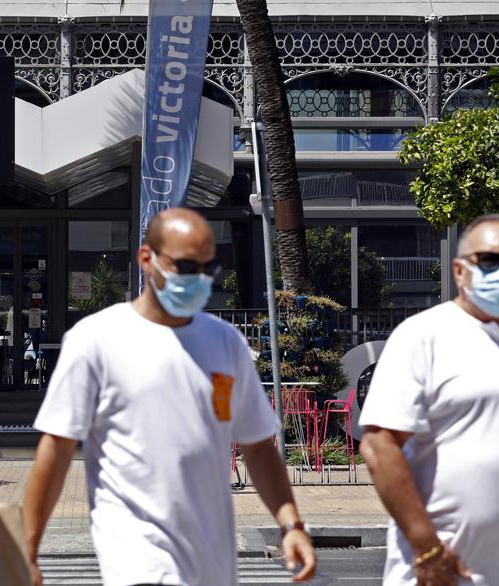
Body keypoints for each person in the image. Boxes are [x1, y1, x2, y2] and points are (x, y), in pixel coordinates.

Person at [23, 207, 317, 585]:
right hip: (138, 559)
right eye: (185, 266)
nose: (198, 278)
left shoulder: (226, 343)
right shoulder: (96, 340)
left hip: (212, 565)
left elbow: (257, 447)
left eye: (207, 268)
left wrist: (290, 524)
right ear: (146, 258)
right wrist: (28, 549)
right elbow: (57, 448)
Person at [359, 214, 499, 586]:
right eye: (490, 261)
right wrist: (426, 546)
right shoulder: (422, 337)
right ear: (459, 271)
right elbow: (379, 447)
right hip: (449, 573)